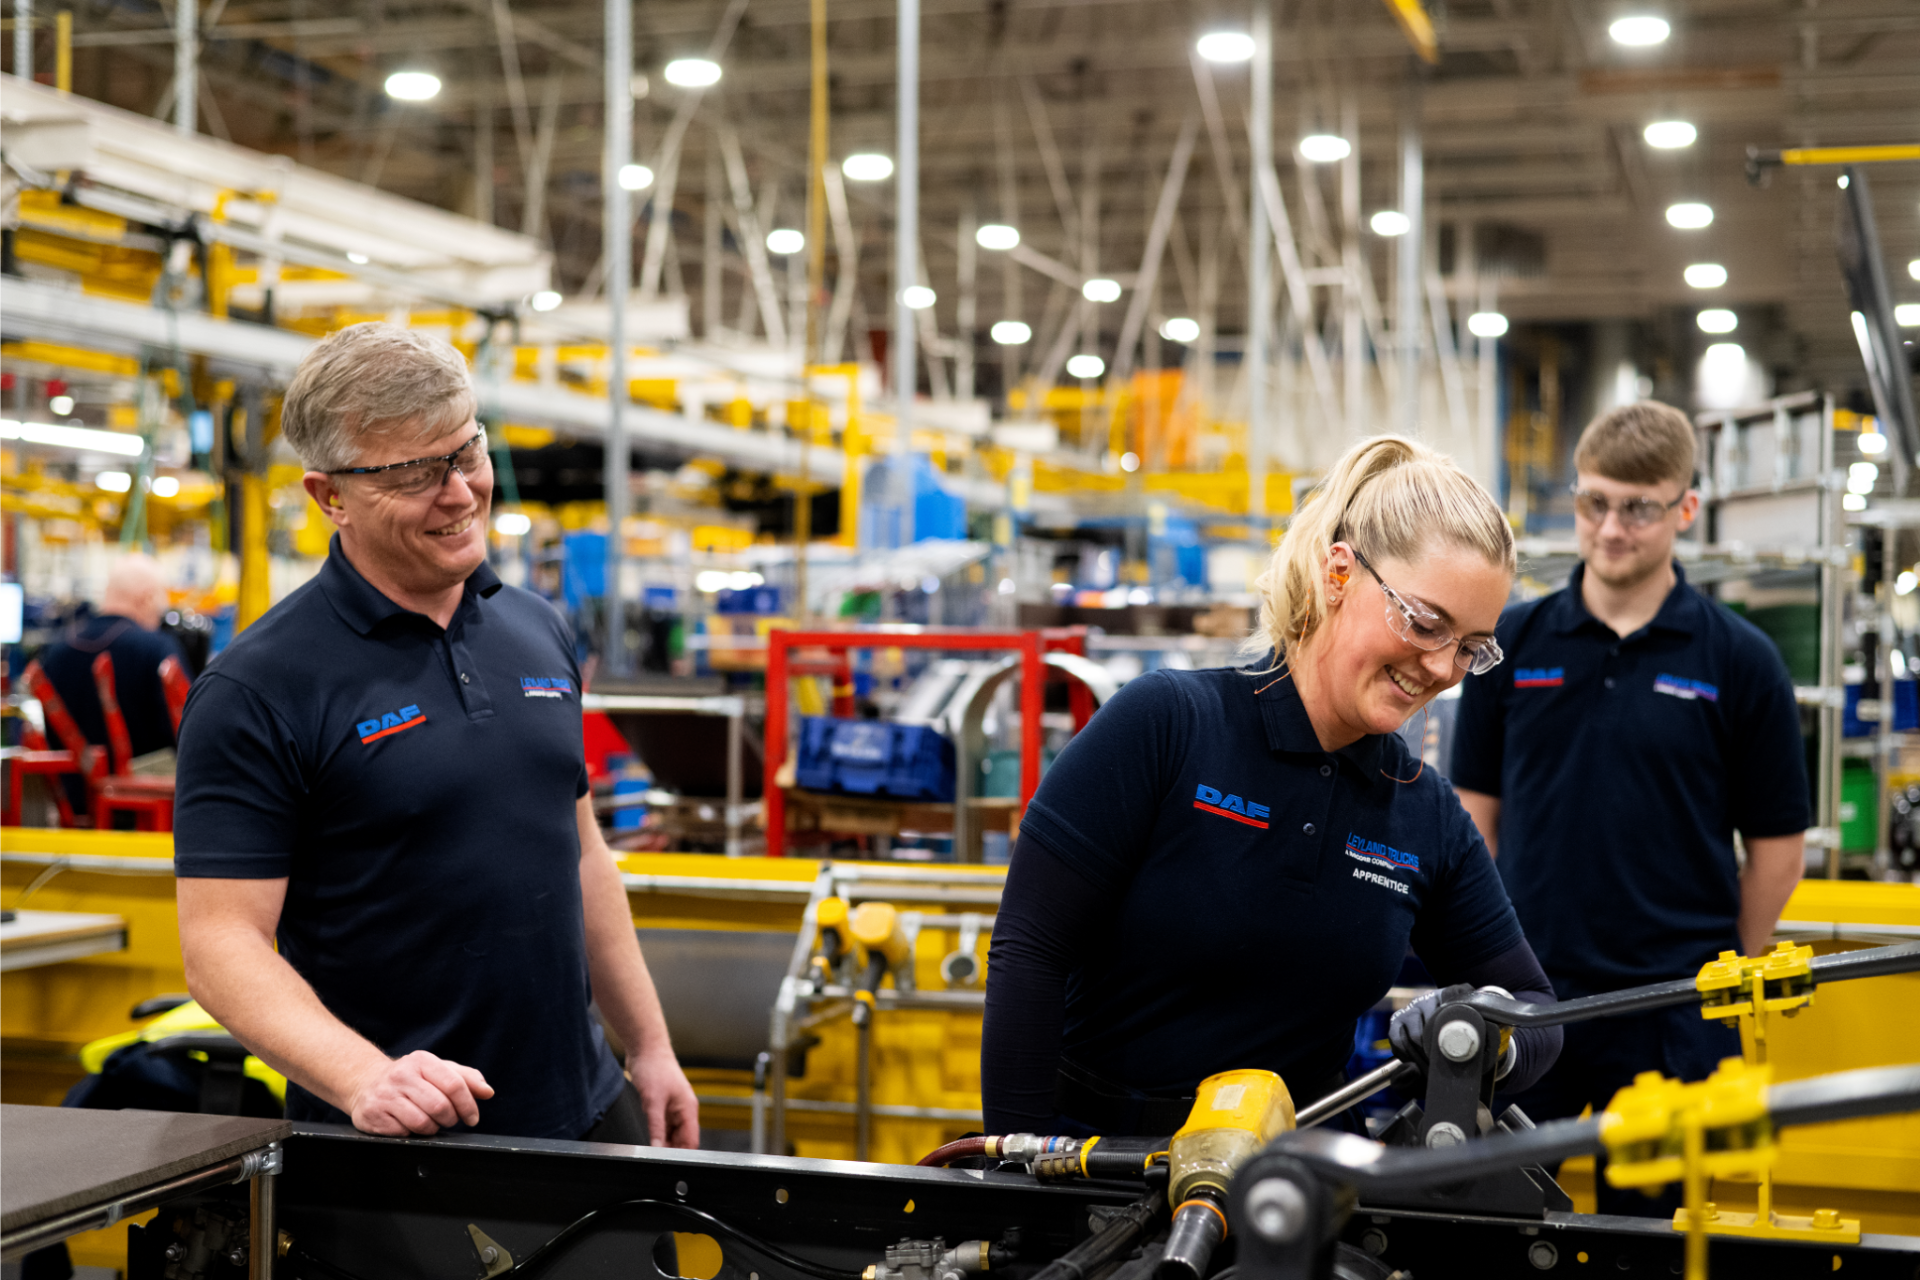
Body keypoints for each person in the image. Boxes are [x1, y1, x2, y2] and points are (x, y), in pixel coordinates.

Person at [173, 323, 699, 1147]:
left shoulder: (538, 631)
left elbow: (583, 853)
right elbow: (219, 943)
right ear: (329, 496)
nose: (458, 492)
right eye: (414, 473)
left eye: (466, 453)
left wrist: (652, 1044)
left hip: (592, 1113)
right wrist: (364, 1077)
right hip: (405, 1147)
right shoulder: (261, 685)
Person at [982, 436, 1563, 1138]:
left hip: (1290, 1190)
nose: (1442, 668)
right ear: (1340, 574)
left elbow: (1536, 1012)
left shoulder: (1423, 813)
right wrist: (1012, 1169)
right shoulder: (1169, 725)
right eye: (1425, 623)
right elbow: (1030, 946)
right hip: (1094, 1166)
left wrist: (1485, 1031)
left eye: (1470, 647)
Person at [1449, 401, 1809, 1216]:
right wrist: (1494, 967)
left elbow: (1779, 853)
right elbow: (1474, 817)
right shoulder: (1511, 642)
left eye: (1639, 507)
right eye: (1593, 503)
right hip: (1531, 1006)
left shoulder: (1741, 661)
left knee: (1644, 1245)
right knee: (1490, 1227)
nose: (1611, 528)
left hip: (1670, 1021)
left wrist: (1707, 980)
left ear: (1685, 508)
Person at [39, 554, 186, 807]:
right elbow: (187, 733)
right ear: (147, 596)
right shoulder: (157, 650)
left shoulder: (56, 652)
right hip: (146, 809)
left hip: (76, 806)